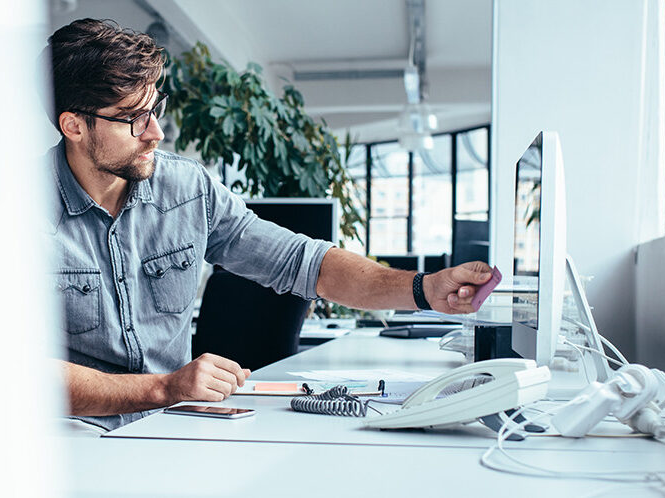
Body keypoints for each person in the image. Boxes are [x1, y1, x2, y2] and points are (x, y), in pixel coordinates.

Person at [46, 19, 492, 433]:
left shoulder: (187, 189)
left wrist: (425, 289)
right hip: (73, 441)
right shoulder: (10, 215)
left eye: (155, 108)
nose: (156, 132)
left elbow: (303, 262)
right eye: (132, 118)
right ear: (74, 126)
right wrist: (162, 389)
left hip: (172, 431)